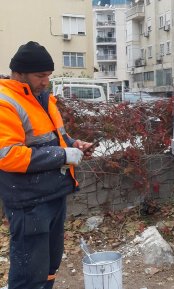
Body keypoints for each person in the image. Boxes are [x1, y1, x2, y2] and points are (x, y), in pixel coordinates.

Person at [0, 41, 95, 289]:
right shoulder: (5, 102)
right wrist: (63, 155)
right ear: (19, 73)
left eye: (48, 76)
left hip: (53, 195)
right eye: (40, 76)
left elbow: (55, 138)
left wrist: (74, 144)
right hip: (29, 203)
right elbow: (8, 155)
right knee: (29, 273)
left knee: (50, 265)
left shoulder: (43, 99)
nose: (46, 81)